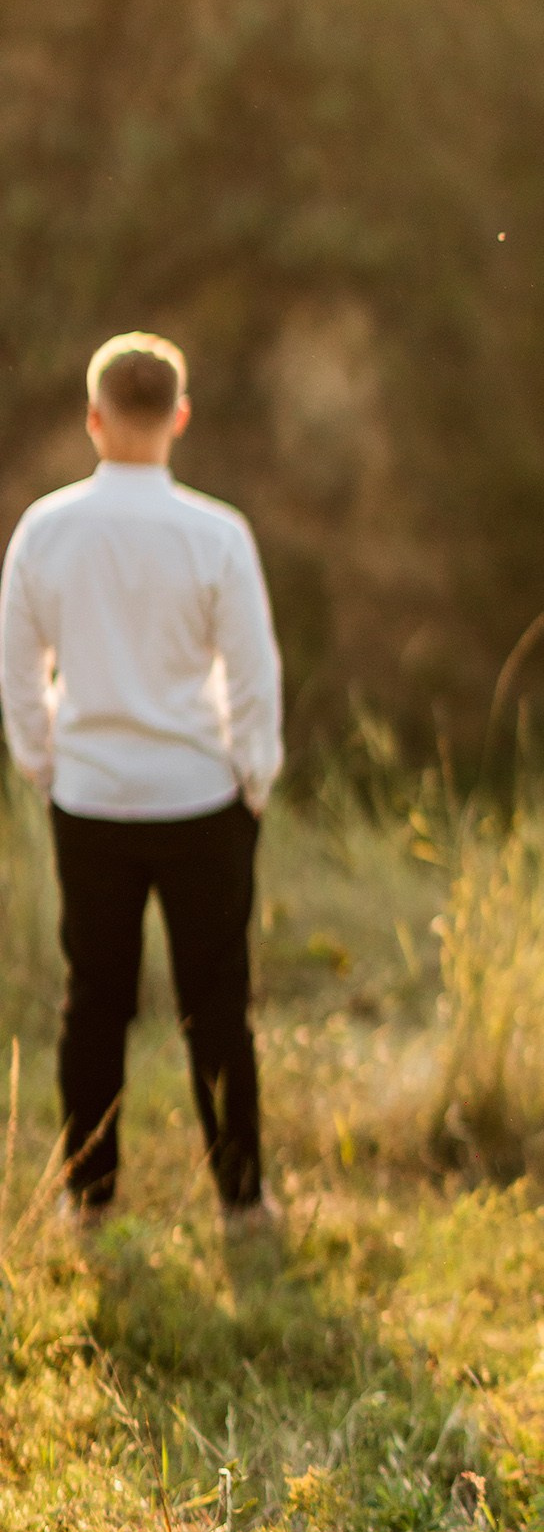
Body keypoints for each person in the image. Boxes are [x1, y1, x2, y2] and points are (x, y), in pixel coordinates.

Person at [1, 333, 284, 1240]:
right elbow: (253, 676)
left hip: (90, 803)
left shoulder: (45, 529)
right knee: (217, 1007)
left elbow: (17, 668)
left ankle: (90, 1204)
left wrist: (44, 762)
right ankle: (242, 1205)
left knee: (95, 1004)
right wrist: (254, 778)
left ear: (93, 418)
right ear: (181, 417)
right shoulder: (217, 533)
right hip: (203, 801)